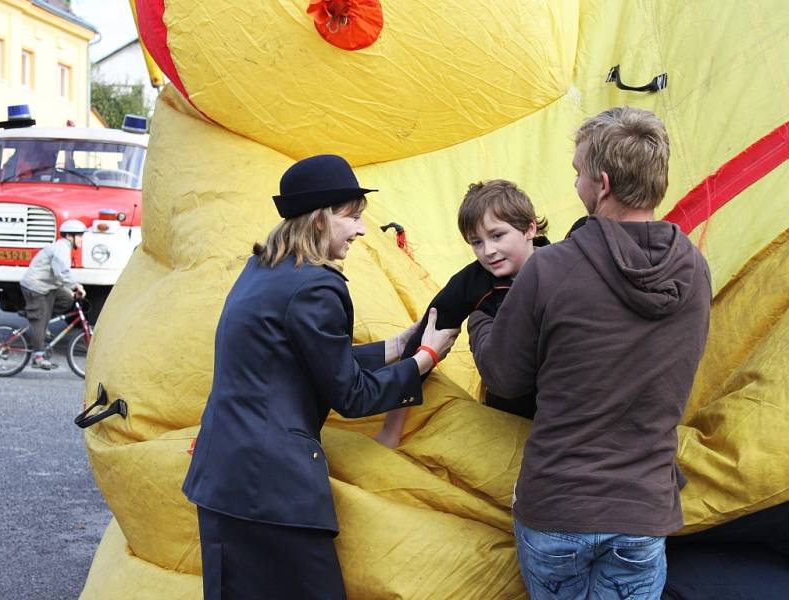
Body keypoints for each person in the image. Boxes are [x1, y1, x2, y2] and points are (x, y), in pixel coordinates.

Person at [181, 154, 459, 599]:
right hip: (274, 492)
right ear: (318, 220)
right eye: (353, 217)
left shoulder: (263, 271)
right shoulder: (317, 286)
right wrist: (425, 358)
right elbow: (351, 395)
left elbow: (299, 360)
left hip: (224, 480)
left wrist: (398, 345)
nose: (362, 230)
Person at [469, 107, 712, 599]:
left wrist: (479, 323)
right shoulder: (695, 269)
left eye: (577, 171)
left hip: (559, 505)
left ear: (601, 184)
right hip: (643, 509)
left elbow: (506, 378)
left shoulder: (551, 268)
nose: (575, 180)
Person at [374, 179, 549, 448]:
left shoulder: (560, 264)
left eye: (497, 235)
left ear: (529, 228)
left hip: (564, 394)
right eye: (476, 242)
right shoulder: (474, 283)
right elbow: (422, 341)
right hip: (510, 402)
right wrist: (391, 429)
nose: (488, 251)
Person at [19, 219, 87, 370]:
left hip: (47, 286)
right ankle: (38, 357)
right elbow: (61, 272)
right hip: (36, 287)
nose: (82, 239)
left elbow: (59, 276)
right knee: (40, 321)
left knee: (67, 298)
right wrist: (76, 286)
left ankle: (36, 315)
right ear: (70, 236)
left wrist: (72, 291)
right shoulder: (61, 248)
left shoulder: (64, 248)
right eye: (80, 236)